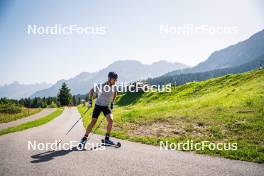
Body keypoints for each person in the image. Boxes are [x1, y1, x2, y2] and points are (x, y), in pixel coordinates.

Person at [79, 72, 118, 146]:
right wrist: (90, 101)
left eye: (116, 80)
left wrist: (112, 102)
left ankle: (107, 139)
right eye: (114, 79)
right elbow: (91, 90)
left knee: (111, 120)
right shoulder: (102, 85)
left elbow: (115, 93)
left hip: (106, 106)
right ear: (109, 79)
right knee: (93, 121)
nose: (115, 81)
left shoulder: (114, 87)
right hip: (98, 105)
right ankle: (84, 138)